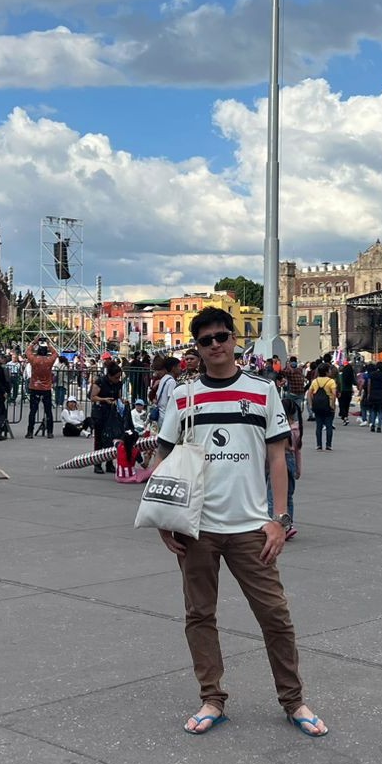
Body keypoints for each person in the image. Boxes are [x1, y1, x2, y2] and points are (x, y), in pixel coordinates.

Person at [151, 306, 326, 737]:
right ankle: (211, 698)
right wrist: (162, 514)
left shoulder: (262, 391)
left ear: (234, 340)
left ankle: (294, 700)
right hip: (197, 527)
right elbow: (163, 455)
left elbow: (277, 457)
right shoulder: (183, 396)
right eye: (206, 340)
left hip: (251, 527)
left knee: (275, 616)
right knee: (200, 615)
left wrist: (279, 518)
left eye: (222, 336)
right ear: (196, 348)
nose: (216, 345)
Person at [267, 396, 303, 539]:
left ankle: (274, 523)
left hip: (279, 460)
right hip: (291, 461)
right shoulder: (296, 429)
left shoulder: (278, 427)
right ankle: (289, 525)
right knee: (288, 496)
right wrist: (298, 469)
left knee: (272, 495)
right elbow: (297, 451)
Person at [90, 361, 127, 473]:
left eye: (119, 377)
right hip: (100, 412)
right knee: (99, 439)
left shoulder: (118, 384)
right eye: (116, 377)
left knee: (112, 438)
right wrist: (104, 399)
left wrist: (122, 401)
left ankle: (109, 463)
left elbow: (119, 396)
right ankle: (97, 464)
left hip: (112, 413)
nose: (118, 379)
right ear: (109, 376)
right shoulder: (100, 382)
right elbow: (92, 397)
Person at [25, 337, 57, 438]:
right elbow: (55, 354)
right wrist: (48, 344)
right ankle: (50, 432)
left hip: (35, 387)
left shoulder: (34, 359)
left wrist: (34, 342)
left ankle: (30, 432)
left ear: (38, 351)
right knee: (48, 411)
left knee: (33, 411)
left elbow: (27, 351)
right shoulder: (49, 360)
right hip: (46, 388)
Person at [307, 361, 338, 451]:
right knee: (329, 426)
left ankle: (319, 445)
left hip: (317, 406)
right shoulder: (331, 381)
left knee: (319, 426)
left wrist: (311, 404)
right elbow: (334, 394)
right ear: (326, 372)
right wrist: (333, 405)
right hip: (328, 406)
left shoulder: (315, 381)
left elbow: (309, 393)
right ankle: (328, 445)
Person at [364, 360, 382, 433]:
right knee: (380, 411)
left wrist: (368, 394)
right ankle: (379, 426)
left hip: (373, 393)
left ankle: (373, 425)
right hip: (380, 393)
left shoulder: (371, 374)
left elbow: (369, 384)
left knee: (373, 410)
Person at [283, 356, 307, 423]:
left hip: (292, 393)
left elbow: (282, 372)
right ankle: (296, 420)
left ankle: (292, 420)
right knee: (297, 407)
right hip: (300, 392)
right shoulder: (299, 370)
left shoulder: (289, 371)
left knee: (290, 407)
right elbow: (301, 368)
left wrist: (288, 366)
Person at [337, 361, 355, 425]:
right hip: (349, 391)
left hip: (341, 391)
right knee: (347, 405)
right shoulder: (351, 377)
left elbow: (338, 383)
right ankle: (346, 416)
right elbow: (354, 382)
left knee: (342, 405)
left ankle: (344, 417)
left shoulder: (340, 376)